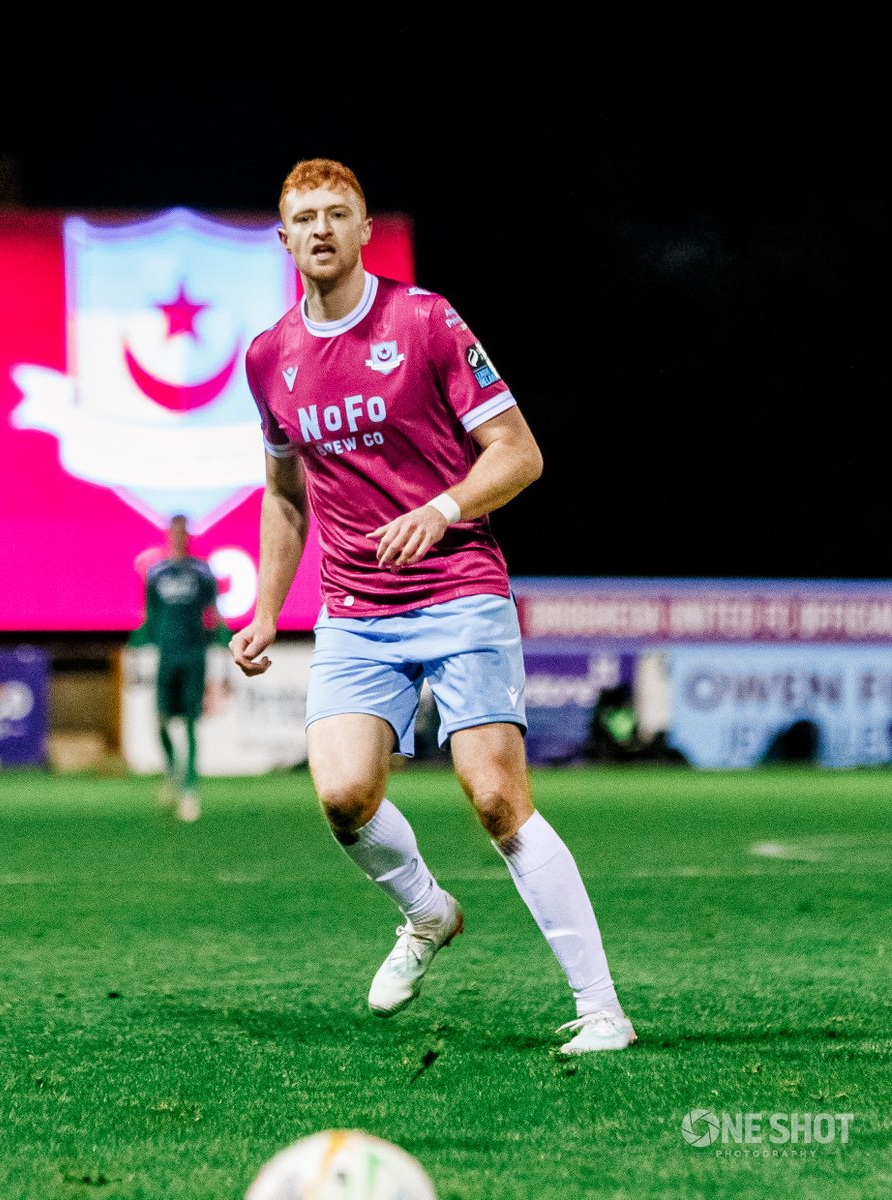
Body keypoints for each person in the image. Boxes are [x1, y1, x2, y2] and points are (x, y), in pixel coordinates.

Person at [230, 158, 636, 1054]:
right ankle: (426, 913)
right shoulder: (268, 358)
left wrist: (445, 506)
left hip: (457, 588)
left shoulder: (424, 321)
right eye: (307, 218)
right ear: (285, 236)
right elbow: (286, 495)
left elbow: (519, 454)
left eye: (340, 213)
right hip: (354, 608)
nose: (323, 229)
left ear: (366, 228)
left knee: (495, 798)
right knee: (341, 795)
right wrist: (265, 610)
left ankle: (603, 1009)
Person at [131, 514, 227, 822]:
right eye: (174, 532)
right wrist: (137, 647)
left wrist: (224, 649)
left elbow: (213, 613)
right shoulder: (157, 573)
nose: (178, 537)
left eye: (183, 532)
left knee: (189, 722)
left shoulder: (202, 572)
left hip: (194, 654)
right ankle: (172, 774)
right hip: (166, 656)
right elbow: (150, 615)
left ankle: (190, 789)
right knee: (161, 719)